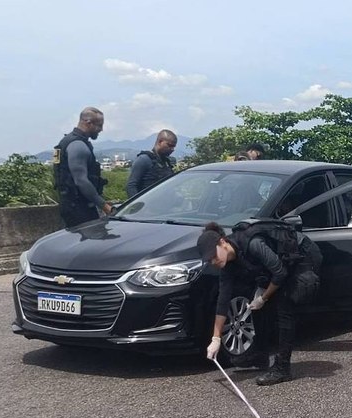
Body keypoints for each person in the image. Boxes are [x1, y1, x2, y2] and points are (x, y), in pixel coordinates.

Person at [198, 222, 297, 385]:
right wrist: (216, 338)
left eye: (214, 256)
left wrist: (263, 297)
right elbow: (222, 301)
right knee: (255, 306)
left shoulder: (253, 244)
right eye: (210, 261)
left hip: (293, 264)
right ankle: (260, 355)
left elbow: (280, 273)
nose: (214, 262)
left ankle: (283, 368)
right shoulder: (226, 266)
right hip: (271, 273)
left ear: (222, 243)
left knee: (284, 310)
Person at [53, 107, 112, 227]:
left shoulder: (64, 142)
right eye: (99, 125)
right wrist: (104, 206)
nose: (100, 130)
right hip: (80, 209)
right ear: (88, 123)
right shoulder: (78, 145)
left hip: (69, 205)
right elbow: (81, 181)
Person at [125, 130, 178, 198]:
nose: (172, 149)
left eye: (174, 147)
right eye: (170, 145)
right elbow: (131, 186)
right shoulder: (144, 160)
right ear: (160, 142)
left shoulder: (167, 163)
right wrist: (139, 206)